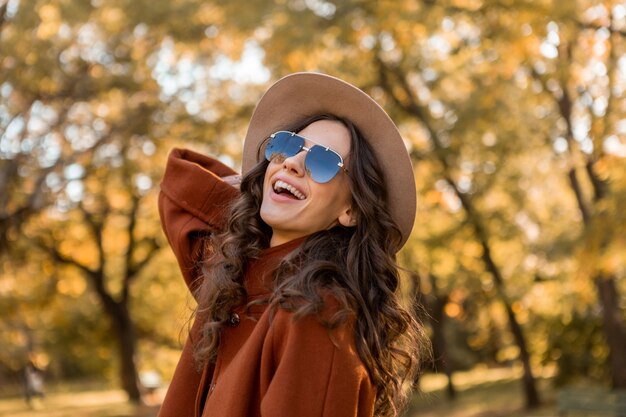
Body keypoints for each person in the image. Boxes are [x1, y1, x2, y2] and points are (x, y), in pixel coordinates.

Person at [157, 72, 430, 417]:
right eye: (287, 145)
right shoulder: (233, 274)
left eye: (323, 161)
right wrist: (257, 187)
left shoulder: (319, 313)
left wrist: (273, 185)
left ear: (351, 210)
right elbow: (177, 185)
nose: (293, 162)